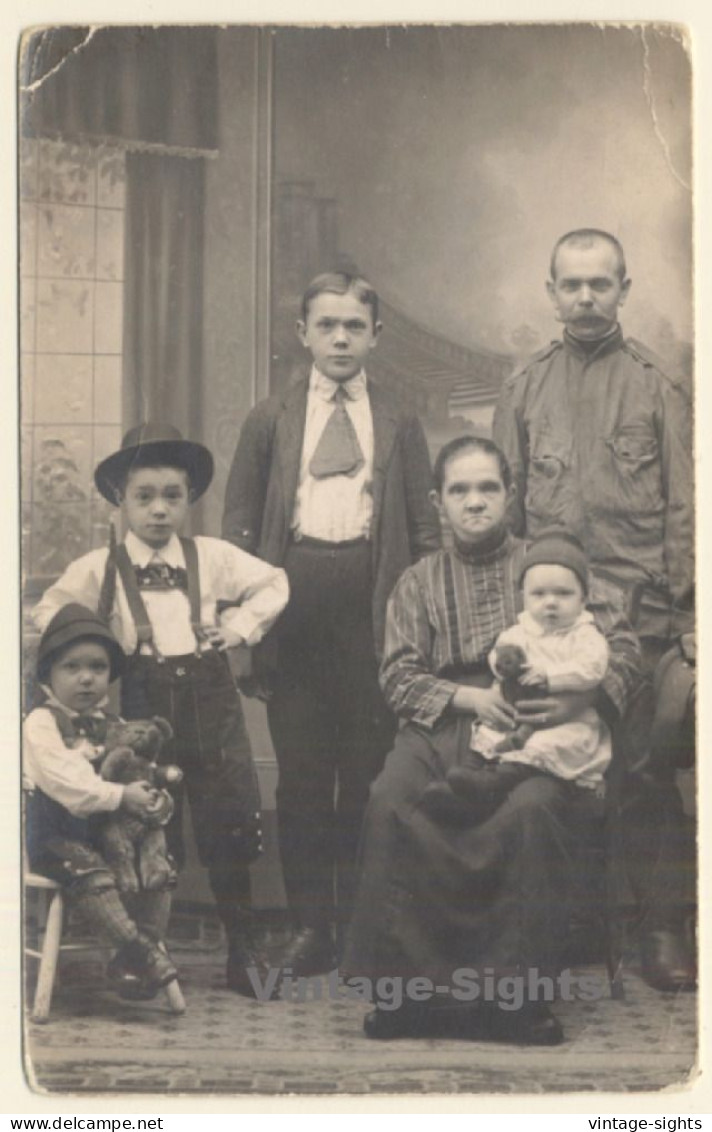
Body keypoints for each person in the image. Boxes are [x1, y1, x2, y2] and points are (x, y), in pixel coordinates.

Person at [341, 436, 642, 1044]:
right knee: (393, 799)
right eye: (459, 491)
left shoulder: (551, 565)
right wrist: (472, 699)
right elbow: (398, 674)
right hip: (447, 719)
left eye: (488, 488)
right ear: (437, 502)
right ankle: (406, 994)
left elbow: (626, 649)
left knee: (532, 809)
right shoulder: (418, 580)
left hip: (542, 719)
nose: (475, 503)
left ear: (511, 494)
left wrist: (573, 700)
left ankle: (516, 999)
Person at [492, 228, 695, 991]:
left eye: (599, 285)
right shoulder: (524, 388)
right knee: (554, 764)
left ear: (623, 289)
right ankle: (572, 918)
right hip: (548, 620)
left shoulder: (657, 385)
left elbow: (685, 509)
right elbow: (508, 514)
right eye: (570, 285)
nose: (584, 298)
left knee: (640, 771)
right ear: (551, 292)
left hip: (639, 616)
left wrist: (683, 621)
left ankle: (663, 925)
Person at [222, 272, 441, 975]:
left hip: (374, 609)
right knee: (304, 778)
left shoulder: (401, 417)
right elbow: (238, 533)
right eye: (327, 325)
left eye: (354, 326)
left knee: (370, 775)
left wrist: (420, 628)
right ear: (303, 333)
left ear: (375, 335)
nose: (341, 338)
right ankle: (312, 927)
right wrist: (249, 636)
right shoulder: (270, 418)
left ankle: (362, 926)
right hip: (294, 606)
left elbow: (423, 527)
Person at [32, 423, 289, 997]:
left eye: (172, 496)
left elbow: (275, 582)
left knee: (228, 821)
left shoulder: (213, 557)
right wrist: (98, 643)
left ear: (189, 500)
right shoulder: (98, 568)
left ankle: (242, 946)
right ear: (120, 499)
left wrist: (240, 627)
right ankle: (148, 951)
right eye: (144, 497)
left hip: (213, 709)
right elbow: (49, 613)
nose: (158, 510)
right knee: (148, 828)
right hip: (143, 718)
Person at [24, 603, 179, 1000]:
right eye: (71, 668)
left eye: (98, 668)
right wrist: (121, 796)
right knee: (91, 872)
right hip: (55, 837)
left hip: (105, 835)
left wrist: (153, 802)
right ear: (48, 674)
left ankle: (131, 960)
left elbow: (141, 772)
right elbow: (67, 783)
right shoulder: (41, 724)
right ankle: (141, 953)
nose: (86, 678)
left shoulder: (115, 725)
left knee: (159, 866)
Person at [421, 527, 611, 822]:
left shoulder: (584, 635)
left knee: (541, 746)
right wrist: (499, 664)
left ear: (583, 599)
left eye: (563, 594)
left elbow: (593, 668)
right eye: (539, 594)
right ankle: (469, 787)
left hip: (563, 719)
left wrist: (551, 676)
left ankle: (493, 784)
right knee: (487, 733)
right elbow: (499, 652)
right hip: (517, 713)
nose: (550, 602)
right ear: (524, 597)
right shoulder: (521, 630)